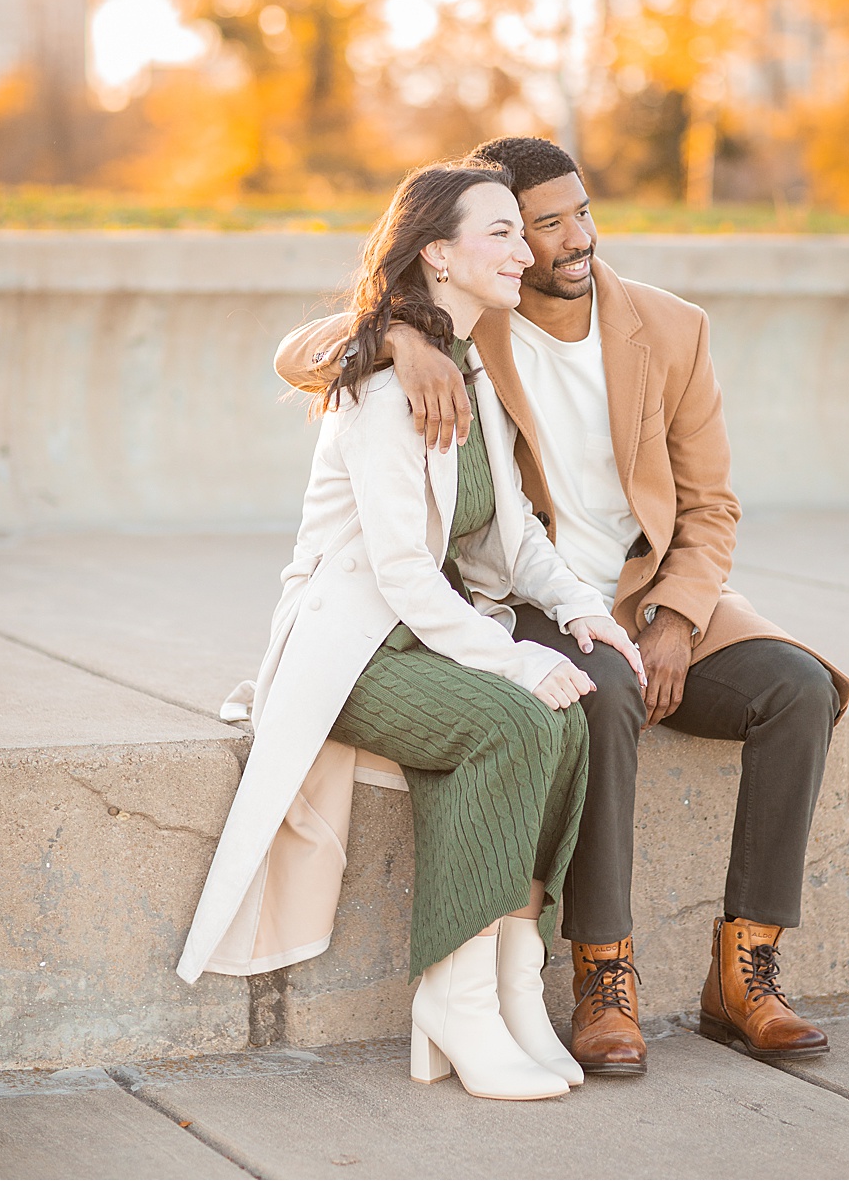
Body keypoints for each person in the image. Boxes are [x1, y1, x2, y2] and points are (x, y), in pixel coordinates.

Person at [272, 137, 849, 1075]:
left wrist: (674, 619)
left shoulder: (669, 327)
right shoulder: (479, 320)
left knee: (796, 688)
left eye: (580, 212)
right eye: (545, 225)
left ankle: (747, 966)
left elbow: (710, 507)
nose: (575, 239)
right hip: (533, 599)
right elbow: (303, 355)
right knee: (603, 694)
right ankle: (602, 973)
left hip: (646, 591)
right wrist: (401, 338)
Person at [180, 159, 643, 1102]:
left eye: (526, 231)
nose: (529, 250)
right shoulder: (384, 390)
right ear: (437, 252)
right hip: (352, 647)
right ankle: (452, 1000)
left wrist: (584, 612)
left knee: (569, 715)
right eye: (503, 233)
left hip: (425, 632)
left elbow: (515, 543)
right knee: (515, 718)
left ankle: (512, 991)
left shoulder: (470, 368)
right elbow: (397, 572)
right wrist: (513, 657)